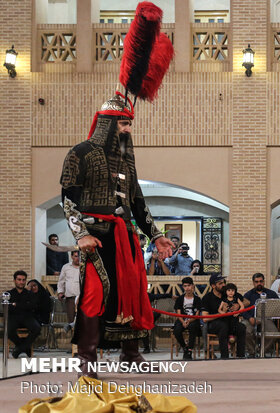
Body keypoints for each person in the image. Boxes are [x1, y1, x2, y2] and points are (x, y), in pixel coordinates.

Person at [60, 91, 175, 378]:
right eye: (123, 124)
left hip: (126, 236)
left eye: (129, 125)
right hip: (96, 237)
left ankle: (130, 355)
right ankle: (86, 359)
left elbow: (137, 203)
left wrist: (155, 235)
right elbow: (68, 199)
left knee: (131, 293)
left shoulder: (128, 161)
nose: (128, 130)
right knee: (93, 295)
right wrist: (80, 235)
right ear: (107, 123)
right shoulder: (80, 153)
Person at [202, 274, 246, 359]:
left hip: (231, 322)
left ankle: (241, 356)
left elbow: (247, 302)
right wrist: (221, 314)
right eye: (220, 283)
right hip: (215, 324)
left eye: (224, 282)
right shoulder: (207, 298)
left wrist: (238, 305)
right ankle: (224, 357)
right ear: (213, 286)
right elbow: (205, 318)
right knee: (223, 326)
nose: (223, 285)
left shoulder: (228, 293)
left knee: (241, 327)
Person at [240, 273, 279, 357]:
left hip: (267, 319)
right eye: (256, 282)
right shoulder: (248, 295)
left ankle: (262, 352)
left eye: (261, 281)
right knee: (245, 330)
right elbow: (242, 310)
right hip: (250, 319)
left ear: (264, 281)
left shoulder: (272, 294)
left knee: (273, 332)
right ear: (253, 282)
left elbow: (278, 308)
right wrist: (250, 318)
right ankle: (252, 352)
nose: (259, 283)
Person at [6, 271, 41, 358]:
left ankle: (20, 348)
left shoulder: (30, 294)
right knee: (8, 330)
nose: (21, 282)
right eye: (19, 280)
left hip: (27, 317)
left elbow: (33, 306)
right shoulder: (9, 294)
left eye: (23, 280)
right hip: (13, 317)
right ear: (14, 280)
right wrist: (24, 305)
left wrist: (16, 305)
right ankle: (25, 347)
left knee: (37, 328)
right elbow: (7, 308)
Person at [173, 277, 202, 360]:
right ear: (183, 287)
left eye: (189, 285)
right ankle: (184, 347)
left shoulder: (197, 299)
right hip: (182, 319)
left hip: (193, 320)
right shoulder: (180, 299)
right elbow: (178, 313)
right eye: (185, 286)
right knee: (177, 330)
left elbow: (196, 314)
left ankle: (189, 350)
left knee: (193, 327)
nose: (187, 288)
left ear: (192, 286)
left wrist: (189, 320)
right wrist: (183, 321)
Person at [58, 250, 80, 332]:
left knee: (82, 321)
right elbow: (61, 281)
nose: (78, 258)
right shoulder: (66, 267)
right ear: (71, 257)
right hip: (70, 298)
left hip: (82, 299)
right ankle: (73, 343)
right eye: (75, 256)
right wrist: (60, 292)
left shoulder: (84, 267)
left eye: (79, 256)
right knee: (71, 321)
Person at [218, 283, 245, 348]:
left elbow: (242, 306)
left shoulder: (236, 299)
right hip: (226, 317)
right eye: (229, 290)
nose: (231, 292)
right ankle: (227, 340)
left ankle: (231, 336)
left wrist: (238, 312)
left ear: (235, 291)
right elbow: (219, 309)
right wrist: (223, 313)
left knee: (235, 324)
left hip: (234, 316)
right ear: (226, 291)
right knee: (225, 325)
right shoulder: (224, 300)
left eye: (232, 290)